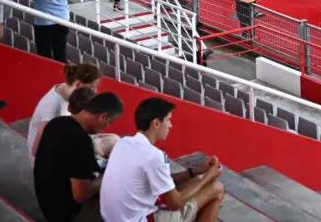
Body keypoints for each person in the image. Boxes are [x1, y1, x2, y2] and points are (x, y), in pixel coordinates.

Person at [101, 97, 225, 222]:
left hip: (113, 217)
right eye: (168, 120)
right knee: (216, 188)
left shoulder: (124, 143)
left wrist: (196, 171)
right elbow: (176, 203)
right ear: (156, 123)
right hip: (138, 219)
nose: (170, 126)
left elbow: (163, 180)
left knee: (195, 181)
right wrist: (208, 176)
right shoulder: (154, 156)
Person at [33, 89, 124, 222]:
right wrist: (109, 176)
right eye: (109, 122)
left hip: (47, 204)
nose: (107, 126)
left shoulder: (57, 123)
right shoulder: (80, 142)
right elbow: (81, 195)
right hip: (67, 215)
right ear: (102, 116)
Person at [29, 61, 118, 165]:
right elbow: (36, 148)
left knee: (114, 139)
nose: (95, 91)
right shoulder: (53, 107)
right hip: (46, 159)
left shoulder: (66, 88)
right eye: (92, 87)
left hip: (63, 141)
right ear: (78, 84)